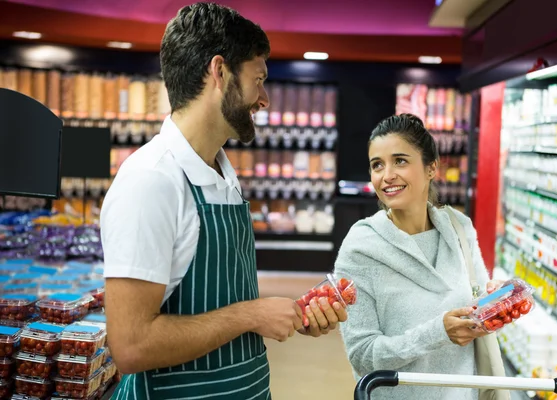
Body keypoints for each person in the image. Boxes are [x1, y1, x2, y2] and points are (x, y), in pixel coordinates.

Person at [100, 3, 347, 399]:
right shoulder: (151, 182)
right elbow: (130, 345)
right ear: (219, 72)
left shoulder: (222, 173)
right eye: (258, 80)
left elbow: (225, 307)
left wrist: (288, 315)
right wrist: (252, 314)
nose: (264, 98)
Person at [334, 114, 503, 400]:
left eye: (400, 160)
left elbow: (479, 305)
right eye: (377, 165)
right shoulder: (360, 248)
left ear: (431, 168)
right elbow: (362, 355)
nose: (387, 175)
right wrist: (438, 332)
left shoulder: (460, 229)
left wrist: (497, 300)